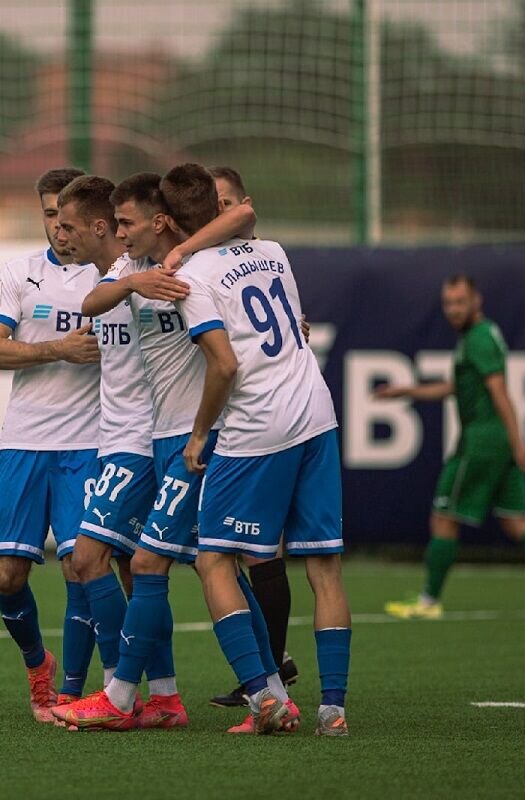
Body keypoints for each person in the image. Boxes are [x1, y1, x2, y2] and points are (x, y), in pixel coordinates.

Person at [58, 172, 259, 731]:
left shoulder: (179, 266)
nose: (57, 232)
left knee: (117, 560)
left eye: (66, 221)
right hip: (133, 438)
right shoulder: (127, 271)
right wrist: (131, 285)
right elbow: (95, 301)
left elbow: (240, 221)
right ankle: (165, 696)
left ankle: (122, 690)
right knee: (160, 565)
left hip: (152, 442)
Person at [169, 163, 352, 736]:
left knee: (212, 559)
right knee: (323, 569)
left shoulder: (193, 278)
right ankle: (333, 710)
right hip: (316, 415)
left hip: (258, 429)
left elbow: (223, 364)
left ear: (172, 223)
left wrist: (199, 433)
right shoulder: (272, 251)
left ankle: (265, 695)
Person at [0, 167, 105, 721]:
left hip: (90, 443)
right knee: (7, 576)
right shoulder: (20, 273)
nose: (58, 226)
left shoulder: (114, 277)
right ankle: (38, 664)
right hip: (25, 441)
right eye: (49, 214)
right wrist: (58, 349)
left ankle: (74, 693)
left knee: (82, 565)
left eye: (66, 216)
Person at [378, 274, 525, 621]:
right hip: (497, 440)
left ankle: (428, 601)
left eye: (459, 302)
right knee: (517, 521)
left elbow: (499, 390)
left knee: (443, 517)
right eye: (448, 303)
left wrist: (518, 443)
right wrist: (407, 391)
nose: (453, 310)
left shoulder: (480, 338)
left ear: (476, 301)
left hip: (482, 442)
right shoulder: (480, 336)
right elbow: (457, 386)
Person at [203, 166, 300, 710]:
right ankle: (271, 666)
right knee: (246, 552)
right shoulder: (256, 260)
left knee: (248, 553)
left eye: (227, 203)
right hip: (248, 417)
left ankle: (269, 674)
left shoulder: (243, 257)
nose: (221, 213)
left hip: (249, 420)